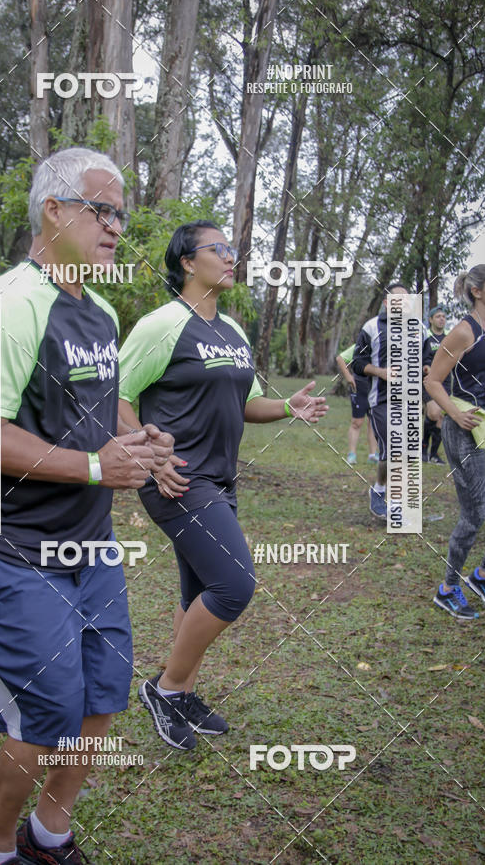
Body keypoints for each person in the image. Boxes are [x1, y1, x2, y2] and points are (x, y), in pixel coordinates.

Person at [0, 147, 170, 865]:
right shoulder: (5, 304)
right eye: (102, 210)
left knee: (104, 695)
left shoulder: (102, 312)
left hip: (90, 541)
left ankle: (51, 832)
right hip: (11, 539)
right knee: (46, 710)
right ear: (55, 210)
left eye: (120, 215)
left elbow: (92, 420)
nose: (116, 227)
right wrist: (90, 465)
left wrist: (136, 444)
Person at [117, 220, 328, 751]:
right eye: (220, 249)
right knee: (235, 584)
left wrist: (287, 406)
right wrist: (146, 455)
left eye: (233, 250)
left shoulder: (232, 331)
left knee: (198, 592)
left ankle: (182, 690)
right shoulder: (163, 325)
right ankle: (164, 690)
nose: (232, 257)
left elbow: (247, 400)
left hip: (220, 479)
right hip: (177, 478)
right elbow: (112, 395)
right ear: (188, 262)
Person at [425, 264, 485, 619]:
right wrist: (453, 413)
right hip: (464, 428)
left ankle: (484, 575)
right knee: (475, 514)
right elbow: (433, 381)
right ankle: (447, 588)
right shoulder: (463, 332)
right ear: (477, 291)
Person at [351, 283, 409, 519]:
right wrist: (380, 372)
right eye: (398, 299)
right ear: (387, 302)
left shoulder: (417, 328)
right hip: (381, 400)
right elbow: (357, 362)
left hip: (410, 401)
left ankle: (379, 489)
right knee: (396, 449)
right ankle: (395, 508)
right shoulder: (372, 327)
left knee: (397, 451)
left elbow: (430, 357)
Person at [335, 342, 379, 465]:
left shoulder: (383, 345)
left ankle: (373, 455)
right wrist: (348, 376)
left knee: (373, 421)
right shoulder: (360, 346)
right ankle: (352, 454)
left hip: (375, 388)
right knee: (357, 422)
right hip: (359, 387)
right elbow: (340, 358)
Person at [421, 305, 449, 464]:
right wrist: (426, 367)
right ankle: (423, 449)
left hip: (446, 382)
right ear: (431, 319)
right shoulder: (426, 338)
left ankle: (433, 454)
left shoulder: (449, 338)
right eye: (438, 316)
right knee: (433, 413)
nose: (441, 319)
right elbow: (419, 359)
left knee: (440, 418)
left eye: (444, 317)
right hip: (429, 382)